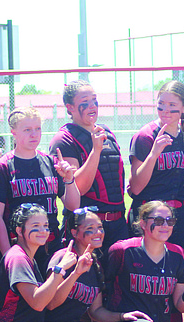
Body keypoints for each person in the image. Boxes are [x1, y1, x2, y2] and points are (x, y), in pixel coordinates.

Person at [0, 107, 79, 276]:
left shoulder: (50, 162)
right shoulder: (4, 166)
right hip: (19, 247)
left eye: (37, 129)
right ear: (13, 132)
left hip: (50, 245)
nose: (34, 134)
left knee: (52, 297)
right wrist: (9, 255)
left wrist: (69, 179)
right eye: (27, 130)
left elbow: (73, 205)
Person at [49, 80, 128, 256]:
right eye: (85, 101)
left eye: (94, 100)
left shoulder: (106, 132)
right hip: (87, 226)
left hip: (118, 223)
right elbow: (79, 188)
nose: (92, 105)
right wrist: (96, 150)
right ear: (70, 108)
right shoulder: (64, 139)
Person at [128, 80, 184, 255]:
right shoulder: (145, 136)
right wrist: (154, 154)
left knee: (179, 265)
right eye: (161, 104)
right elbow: (136, 187)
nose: (165, 109)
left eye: (172, 104)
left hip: (176, 216)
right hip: (149, 214)